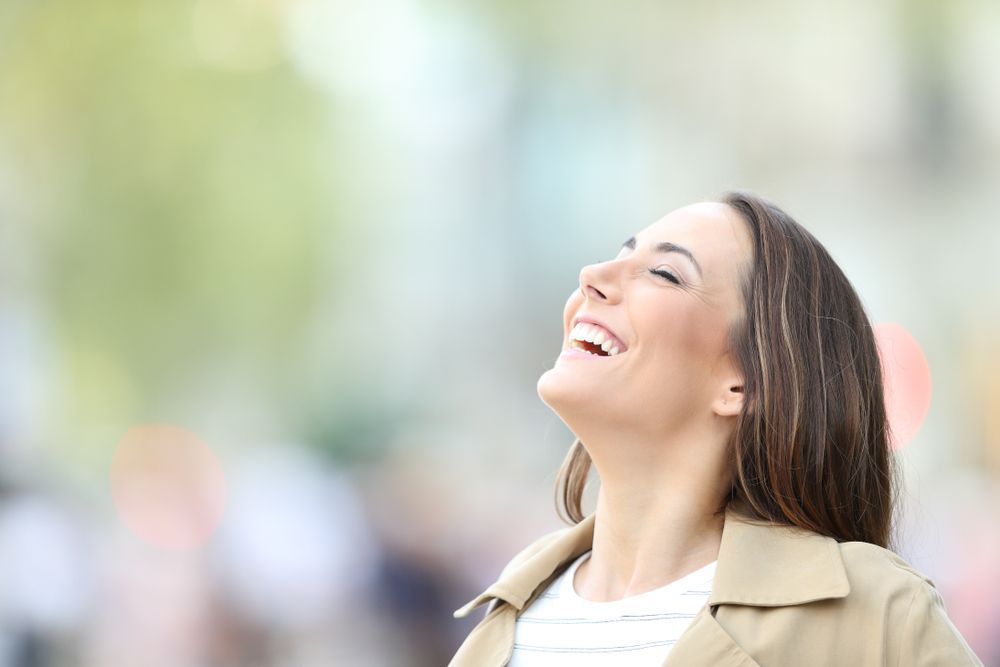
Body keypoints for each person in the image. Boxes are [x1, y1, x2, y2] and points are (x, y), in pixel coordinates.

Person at [448, 192, 983, 666]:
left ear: (742, 382)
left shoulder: (877, 616)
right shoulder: (504, 625)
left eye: (664, 274)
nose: (591, 275)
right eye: (619, 255)